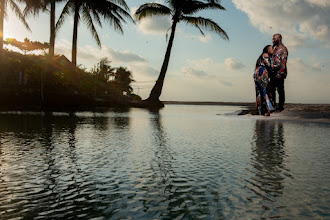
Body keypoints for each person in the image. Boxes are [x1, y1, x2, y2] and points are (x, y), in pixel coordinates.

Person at [254, 45, 275, 116]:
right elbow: (269, 65)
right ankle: (266, 110)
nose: (273, 50)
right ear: (267, 50)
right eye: (272, 48)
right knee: (264, 91)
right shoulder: (266, 55)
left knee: (259, 92)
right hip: (262, 72)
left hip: (258, 72)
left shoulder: (261, 56)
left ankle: (260, 110)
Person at [270, 33, 288, 111]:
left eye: (274, 38)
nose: (273, 40)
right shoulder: (275, 49)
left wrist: (280, 73)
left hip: (280, 71)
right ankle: (273, 106)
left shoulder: (283, 49)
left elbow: (283, 62)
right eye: (272, 38)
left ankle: (281, 107)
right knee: (271, 89)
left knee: (280, 90)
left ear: (279, 39)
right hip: (273, 72)